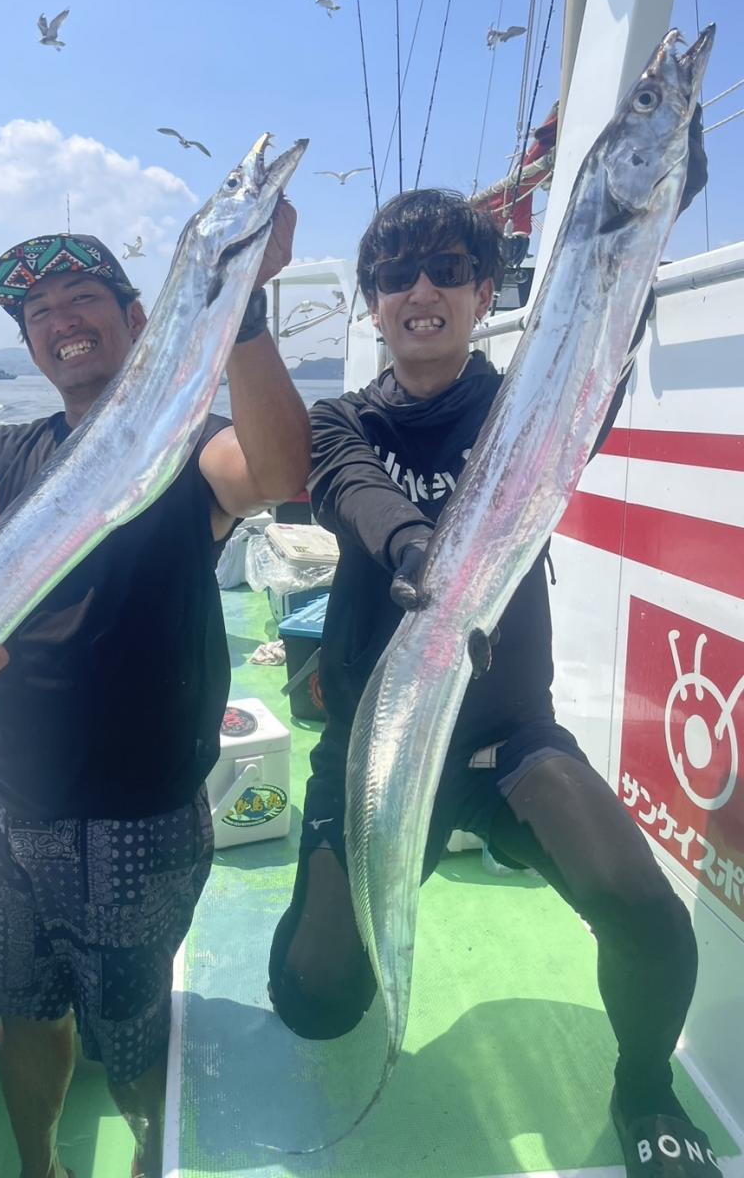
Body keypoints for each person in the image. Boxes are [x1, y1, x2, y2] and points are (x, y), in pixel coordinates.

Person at [268, 148, 723, 1174]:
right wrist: (422, 552)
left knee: (650, 921)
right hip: (382, 747)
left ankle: (644, 1087)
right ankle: (357, 871)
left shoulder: (538, 410)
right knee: (315, 1000)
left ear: (484, 293)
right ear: (374, 304)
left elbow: (605, 336)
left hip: (506, 737)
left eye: (447, 270)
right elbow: (355, 491)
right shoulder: (342, 421)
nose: (420, 289)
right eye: (397, 274)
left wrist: (649, 214)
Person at [0, 209, 310, 1178]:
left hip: (136, 813)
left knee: (132, 1029)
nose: (60, 319)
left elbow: (282, 473)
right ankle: (40, 1168)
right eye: (38, 311)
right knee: (21, 1009)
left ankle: (144, 1162)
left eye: (82, 296)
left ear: (137, 318)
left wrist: (242, 311)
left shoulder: (192, 447)